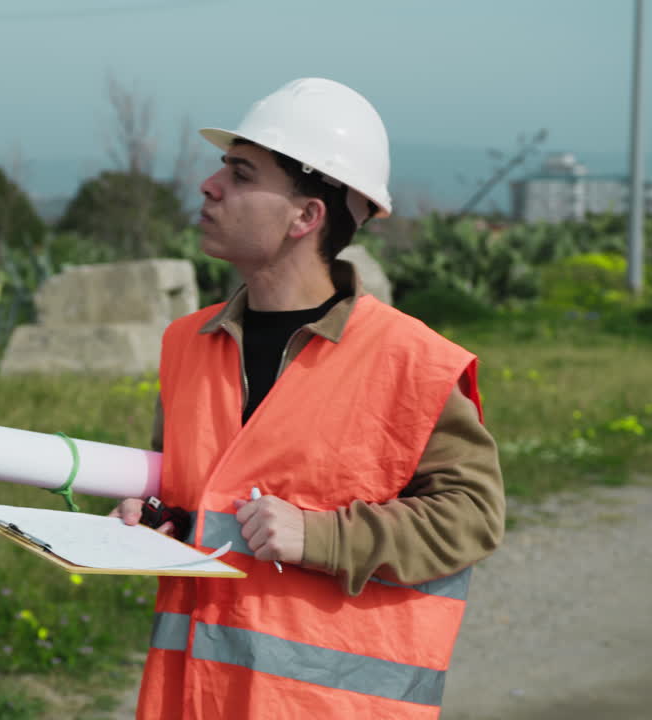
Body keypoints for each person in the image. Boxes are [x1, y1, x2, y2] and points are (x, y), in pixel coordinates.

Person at [108, 78, 505, 719]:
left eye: (240, 174)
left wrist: (320, 537)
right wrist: (159, 519)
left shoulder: (414, 362)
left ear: (305, 216)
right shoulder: (188, 344)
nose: (210, 187)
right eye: (222, 170)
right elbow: (198, 501)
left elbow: (472, 517)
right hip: (194, 702)